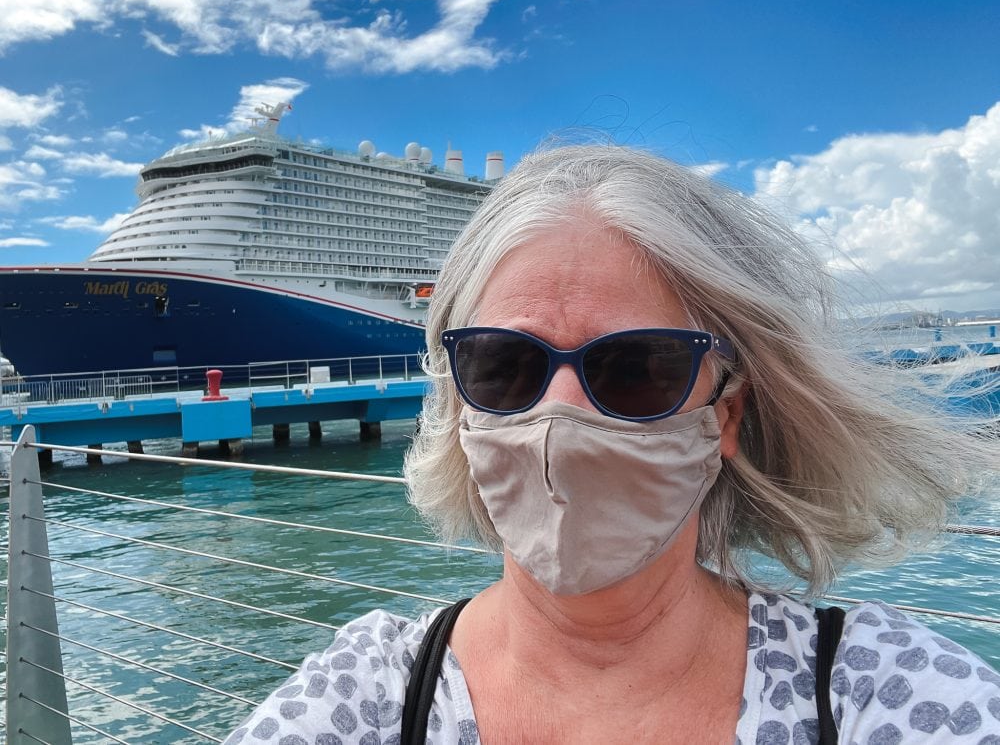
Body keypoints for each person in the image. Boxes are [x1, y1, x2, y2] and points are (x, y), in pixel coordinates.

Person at [225, 145, 1000, 744]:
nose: (559, 417)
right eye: (505, 364)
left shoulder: (880, 689)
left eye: (636, 368)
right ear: (460, 402)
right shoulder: (372, 690)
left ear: (726, 414)